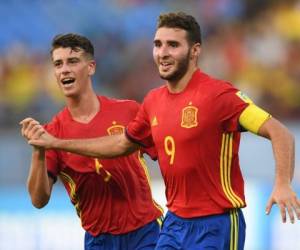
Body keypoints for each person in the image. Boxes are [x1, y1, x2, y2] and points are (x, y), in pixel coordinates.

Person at [23, 12, 300, 250]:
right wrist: (55, 143)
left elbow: (280, 132)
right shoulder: (153, 102)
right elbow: (121, 145)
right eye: (157, 44)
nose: (163, 52)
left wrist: (282, 182)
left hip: (216, 223)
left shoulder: (220, 96)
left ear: (195, 50)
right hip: (173, 224)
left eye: (172, 45)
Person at [20, 33, 164, 250]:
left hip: (146, 232)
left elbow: (167, 155)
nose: (64, 69)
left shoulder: (129, 110)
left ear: (91, 67)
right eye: (58, 64)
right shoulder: (52, 133)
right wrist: (38, 151)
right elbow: (38, 200)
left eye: (73, 61)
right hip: (99, 240)